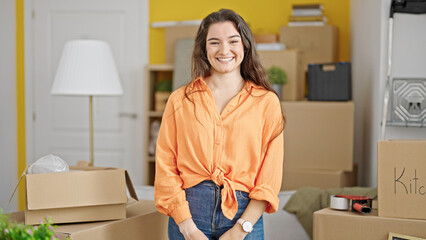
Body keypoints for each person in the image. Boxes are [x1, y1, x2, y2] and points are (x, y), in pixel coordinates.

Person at [154, 8, 285, 240]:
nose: (224, 50)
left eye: (233, 41)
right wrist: (188, 228)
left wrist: (240, 230)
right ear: (204, 49)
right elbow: (166, 165)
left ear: (245, 45)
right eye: (214, 42)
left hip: (245, 216)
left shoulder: (266, 101)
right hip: (188, 213)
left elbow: (269, 177)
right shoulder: (180, 99)